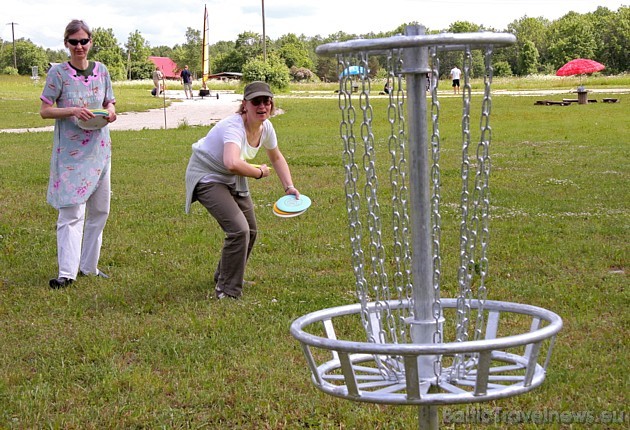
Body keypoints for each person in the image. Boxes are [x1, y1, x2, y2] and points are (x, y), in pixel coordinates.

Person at [185, 81, 300, 300]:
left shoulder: (266, 127)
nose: (263, 106)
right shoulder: (234, 126)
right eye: (257, 101)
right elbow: (230, 162)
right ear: (244, 104)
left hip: (233, 177)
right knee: (239, 230)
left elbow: (276, 157)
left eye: (267, 102)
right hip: (208, 176)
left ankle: (226, 275)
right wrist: (258, 173)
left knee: (251, 231)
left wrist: (289, 186)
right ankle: (227, 291)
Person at [39, 19, 117, 289]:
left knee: (100, 211)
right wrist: (72, 111)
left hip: (99, 150)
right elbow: (45, 109)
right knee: (71, 213)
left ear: (90, 42)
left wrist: (111, 112)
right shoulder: (58, 74)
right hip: (71, 154)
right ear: (66, 44)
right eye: (74, 42)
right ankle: (66, 273)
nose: (79, 46)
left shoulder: (102, 70)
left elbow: (109, 101)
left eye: (84, 41)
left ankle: (89, 267)